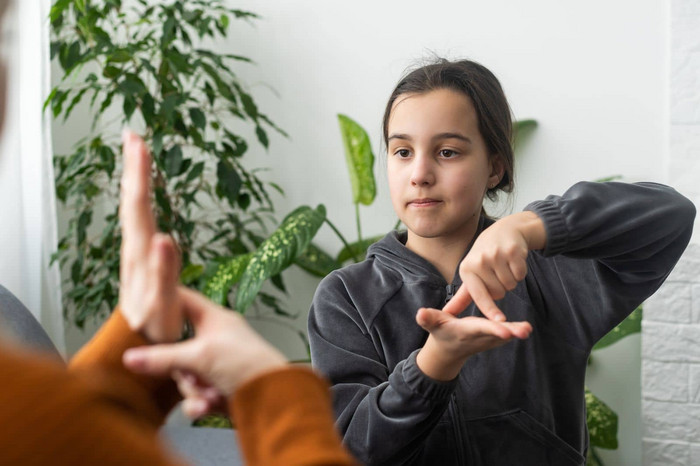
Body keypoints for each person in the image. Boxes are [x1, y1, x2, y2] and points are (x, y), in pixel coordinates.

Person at [307, 58, 696, 465]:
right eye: (402, 151)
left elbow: (671, 215)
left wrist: (533, 226)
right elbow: (349, 449)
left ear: (495, 167)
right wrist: (435, 363)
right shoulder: (346, 297)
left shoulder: (548, 272)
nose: (419, 173)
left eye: (447, 151)